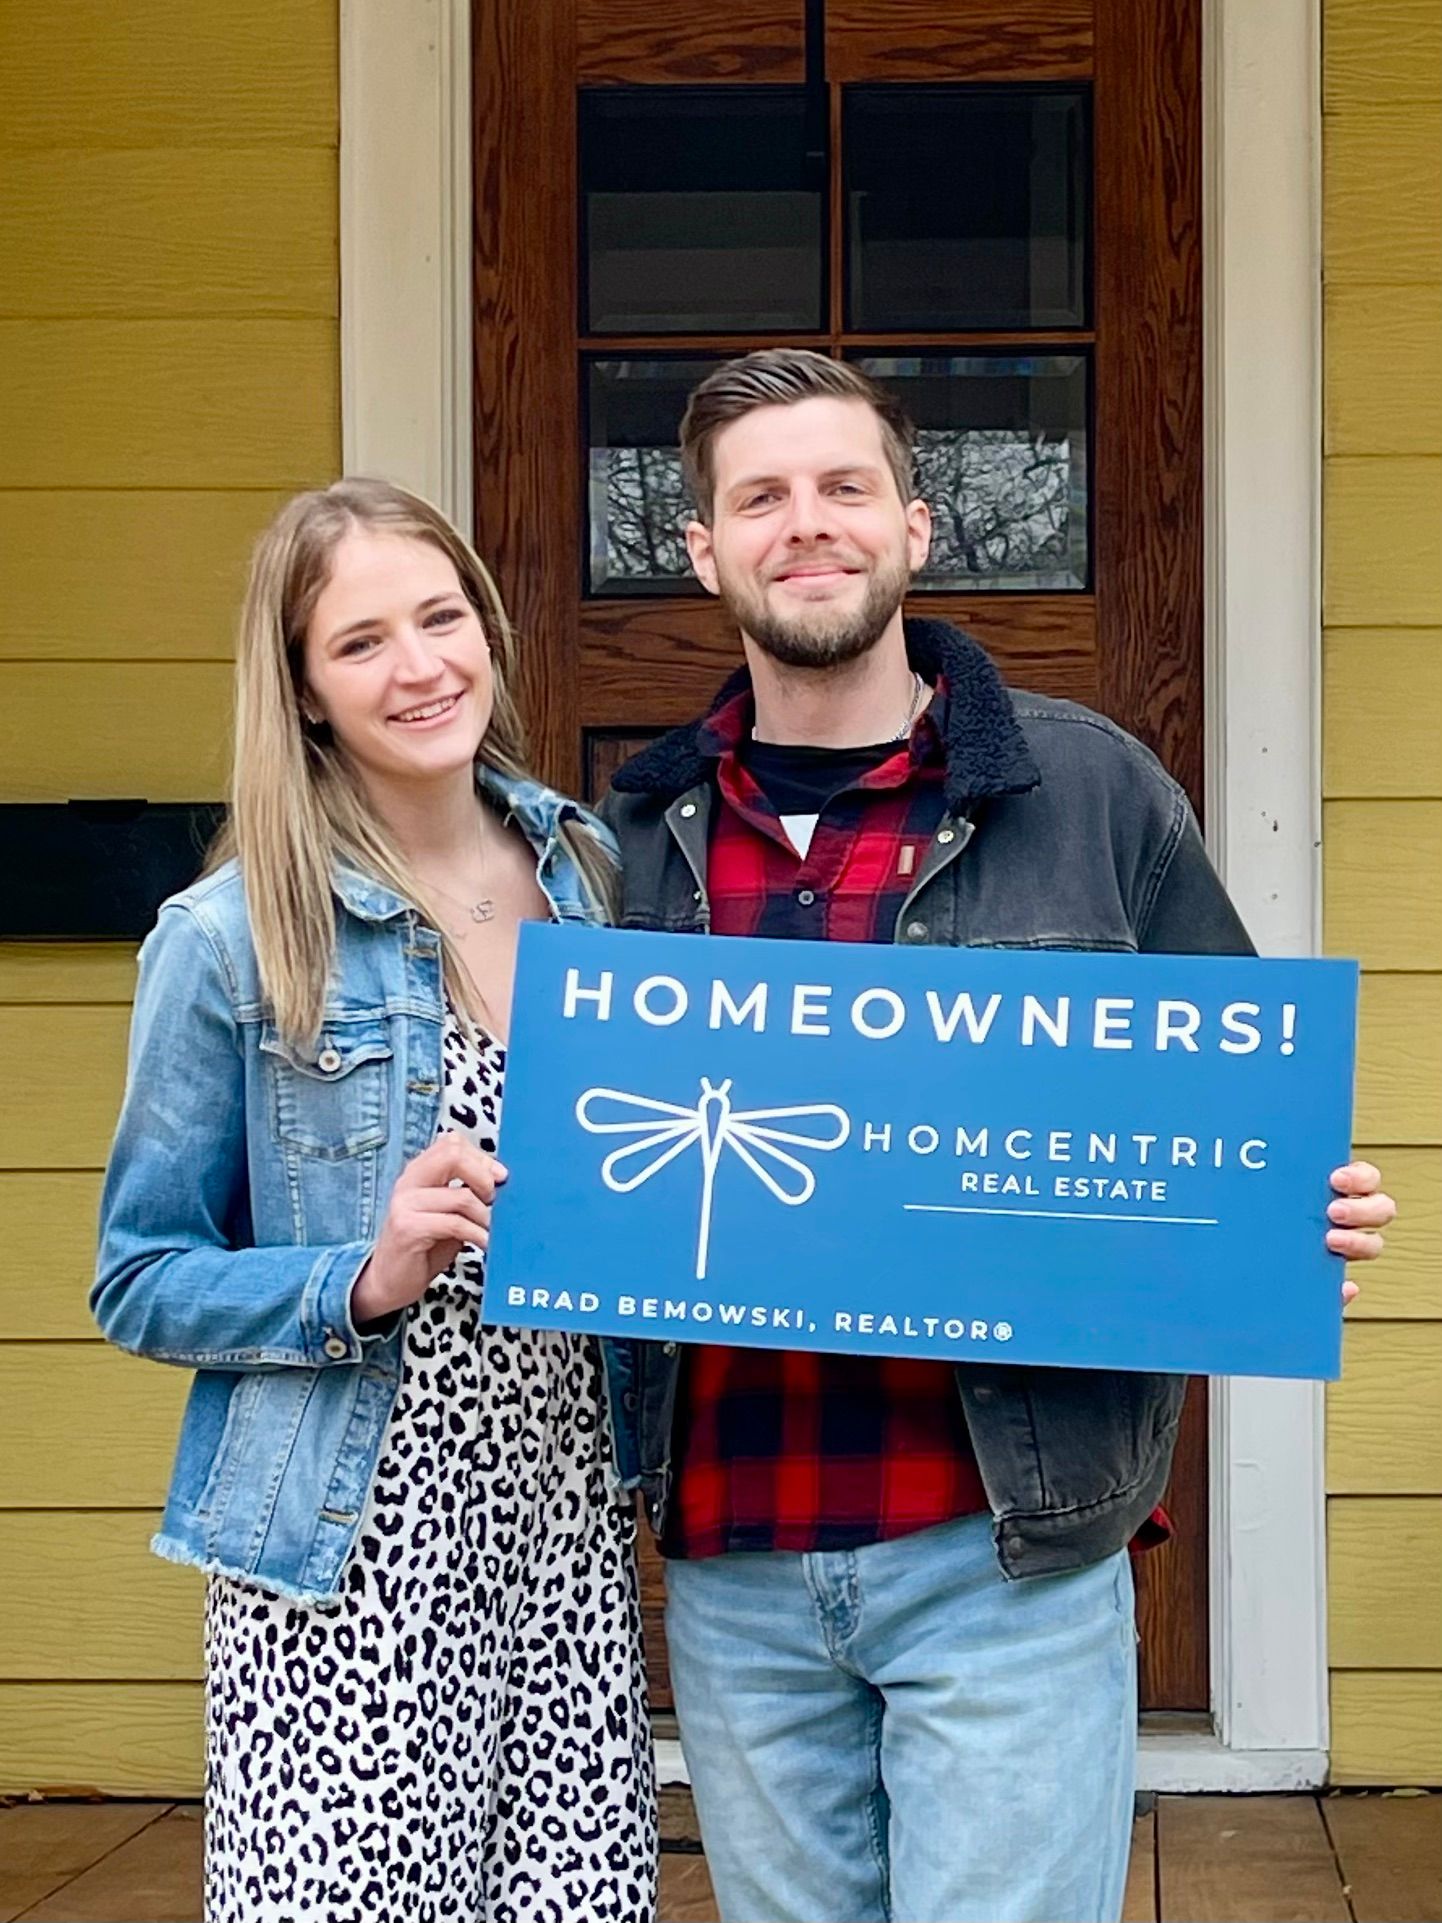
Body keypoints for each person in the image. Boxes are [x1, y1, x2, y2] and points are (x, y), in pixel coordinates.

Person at [599, 350, 1395, 1923]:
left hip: (1001, 1541)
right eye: (758, 497)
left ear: (916, 525)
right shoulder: (624, 839)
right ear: (701, 551)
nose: (803, 525)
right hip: (733, 1542)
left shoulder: (1092, 790)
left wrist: (1292, 1210)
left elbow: (1227, 1107)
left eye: (842, 488)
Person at [93, 479, 657, 1923]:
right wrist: (364, 1270)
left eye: (439, 616)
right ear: (305, 691)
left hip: (562, 1525)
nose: (419, 668)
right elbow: (138, 1274)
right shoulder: (229, 936)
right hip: (349, 1549)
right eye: (360, 644)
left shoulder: (586, 872)